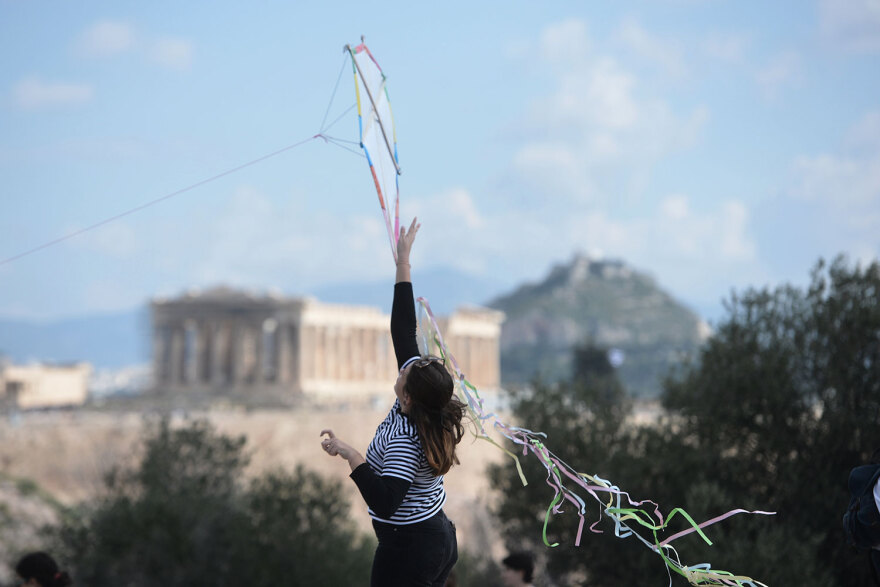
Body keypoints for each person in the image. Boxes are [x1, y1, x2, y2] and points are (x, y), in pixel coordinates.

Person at [321, 217, 465, 587]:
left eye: (405, 373)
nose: (402, 367)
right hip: (432, 538)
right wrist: (404, 262)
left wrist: (351, 455)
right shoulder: (424, 404)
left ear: (407, 395)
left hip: (411, 549)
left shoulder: (407, 439)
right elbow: (403, 329)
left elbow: (387, 502)